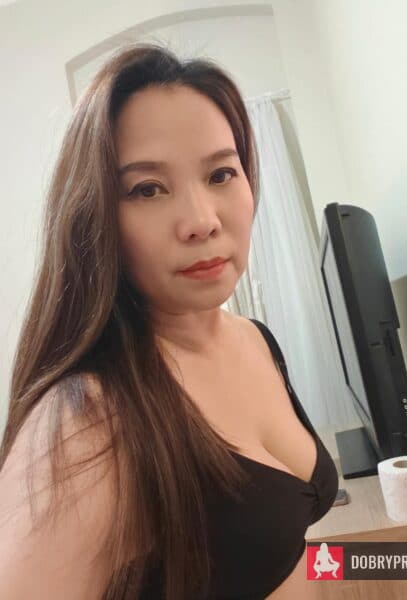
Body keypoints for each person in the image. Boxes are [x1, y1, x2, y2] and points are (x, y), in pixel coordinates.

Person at [0, 42, 338, 600]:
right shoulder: (85, 419)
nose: (201, 221)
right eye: (148, 189)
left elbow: (289, 549)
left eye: (221, 174)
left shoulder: (255, 341)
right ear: (95, 217)